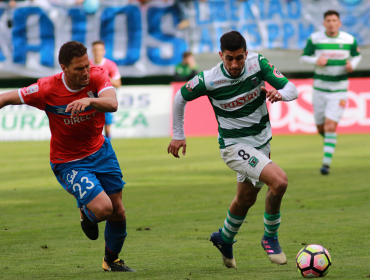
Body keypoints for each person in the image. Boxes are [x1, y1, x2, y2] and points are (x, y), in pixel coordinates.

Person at [0, 41, 135, 272]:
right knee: (104, 209)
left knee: (118, 211)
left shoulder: (97, 75)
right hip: (68, 161)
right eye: (78, 68)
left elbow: (112, 103)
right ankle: (86, 211)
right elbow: (5, 98)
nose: (85, 72)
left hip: (101, 151)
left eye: (87, 66)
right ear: (64, 68)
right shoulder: (46, 88)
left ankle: (111, 260)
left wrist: (90, 100)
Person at [167, 31, 299, 269]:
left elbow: (292, 89)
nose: (235, 64)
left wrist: (279, 93)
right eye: (229, 58)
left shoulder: (258, 64)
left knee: (246, 198)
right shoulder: (209, 79)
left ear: (245, 54)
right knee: (279, 182)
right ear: (221, 55)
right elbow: (180, 97)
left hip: (262, 142)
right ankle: (270, 238)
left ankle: (224, 239)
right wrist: (178, 134)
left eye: (239, 57)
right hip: (234, 146)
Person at [300, 10, 362, 175]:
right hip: (320, 88)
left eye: (334, 20)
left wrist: (352, 66)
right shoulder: (315, 39)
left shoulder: (349, 39)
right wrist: (315, 60)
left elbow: (357, 56)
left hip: (339, 89)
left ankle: (326, 165)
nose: (331, 23)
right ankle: (330, 140)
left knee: (330, 126)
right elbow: (303, 57)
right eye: (328, 20)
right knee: (321, 128)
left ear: (339, 23)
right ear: (324, 23)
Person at [90, 40, 122, 140]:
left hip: (105, 99)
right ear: (92, 51)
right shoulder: (87, 65)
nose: (97, 52)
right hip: (91, 99)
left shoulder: (110, 65)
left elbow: (118, 84)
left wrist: (103, 77)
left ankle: (108, 146)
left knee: (107, 126)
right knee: (91, 126)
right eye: (95, 50)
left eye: (100, 50)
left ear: (104, 51)